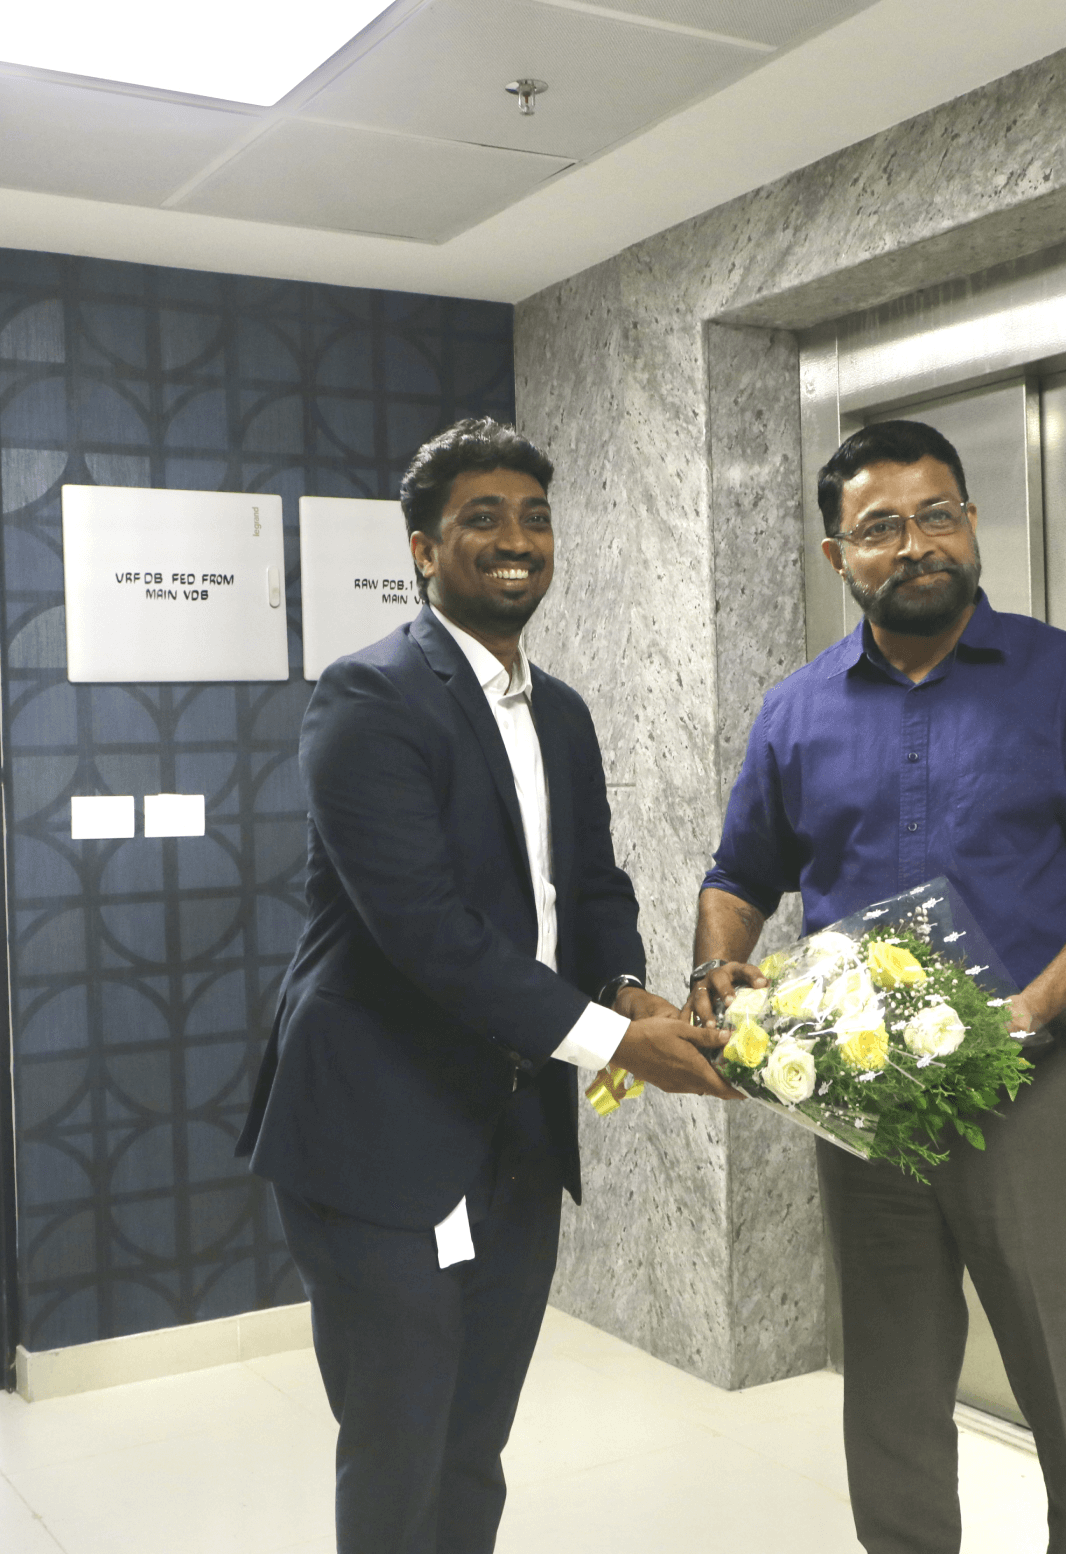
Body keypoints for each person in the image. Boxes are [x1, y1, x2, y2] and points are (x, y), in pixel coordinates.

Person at [237, 417, 738, 1554]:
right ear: (422, 550)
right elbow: (429, 936)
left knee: (474, 1438)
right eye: (482, 519)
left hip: (513, 1122)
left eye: (534, 518)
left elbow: (592, 886)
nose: (515, 541)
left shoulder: (559, 710)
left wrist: (623, 987)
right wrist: (613, 1044)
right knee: (399, 1435)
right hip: (375, 1129)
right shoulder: (367, 699)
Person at [687, 420, 1066, 1554]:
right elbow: (738, 874)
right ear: (836, 557)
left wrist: (1028, 1008)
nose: (916, 544)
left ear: (969, 524)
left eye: (938, 514)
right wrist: (720, 966)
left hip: (1033, 1083)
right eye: (880, 528)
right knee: (893, 1388)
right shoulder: (796, 711)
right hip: (864, 1105)